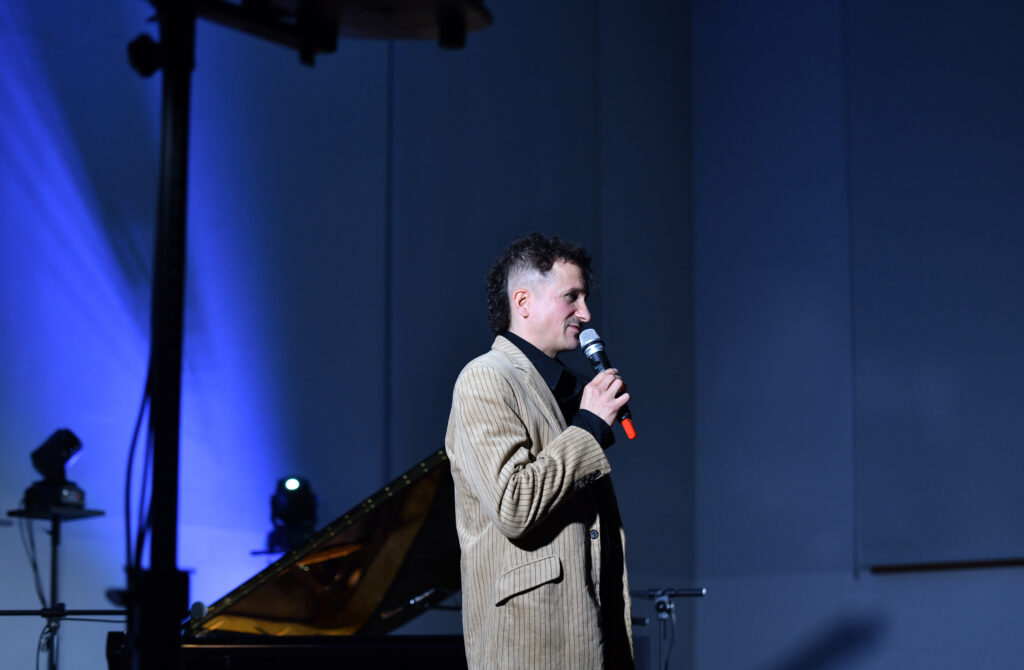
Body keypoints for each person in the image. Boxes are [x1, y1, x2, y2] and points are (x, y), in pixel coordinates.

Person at [445, 233, 634, 669]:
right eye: (572, 297)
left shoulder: (564, 391)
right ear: (523, 302)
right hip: (532, 647)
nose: (586, 314)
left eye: (585, 298)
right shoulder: (485, 378)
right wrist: (588, 427)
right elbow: (513, 505)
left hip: (591, 641)